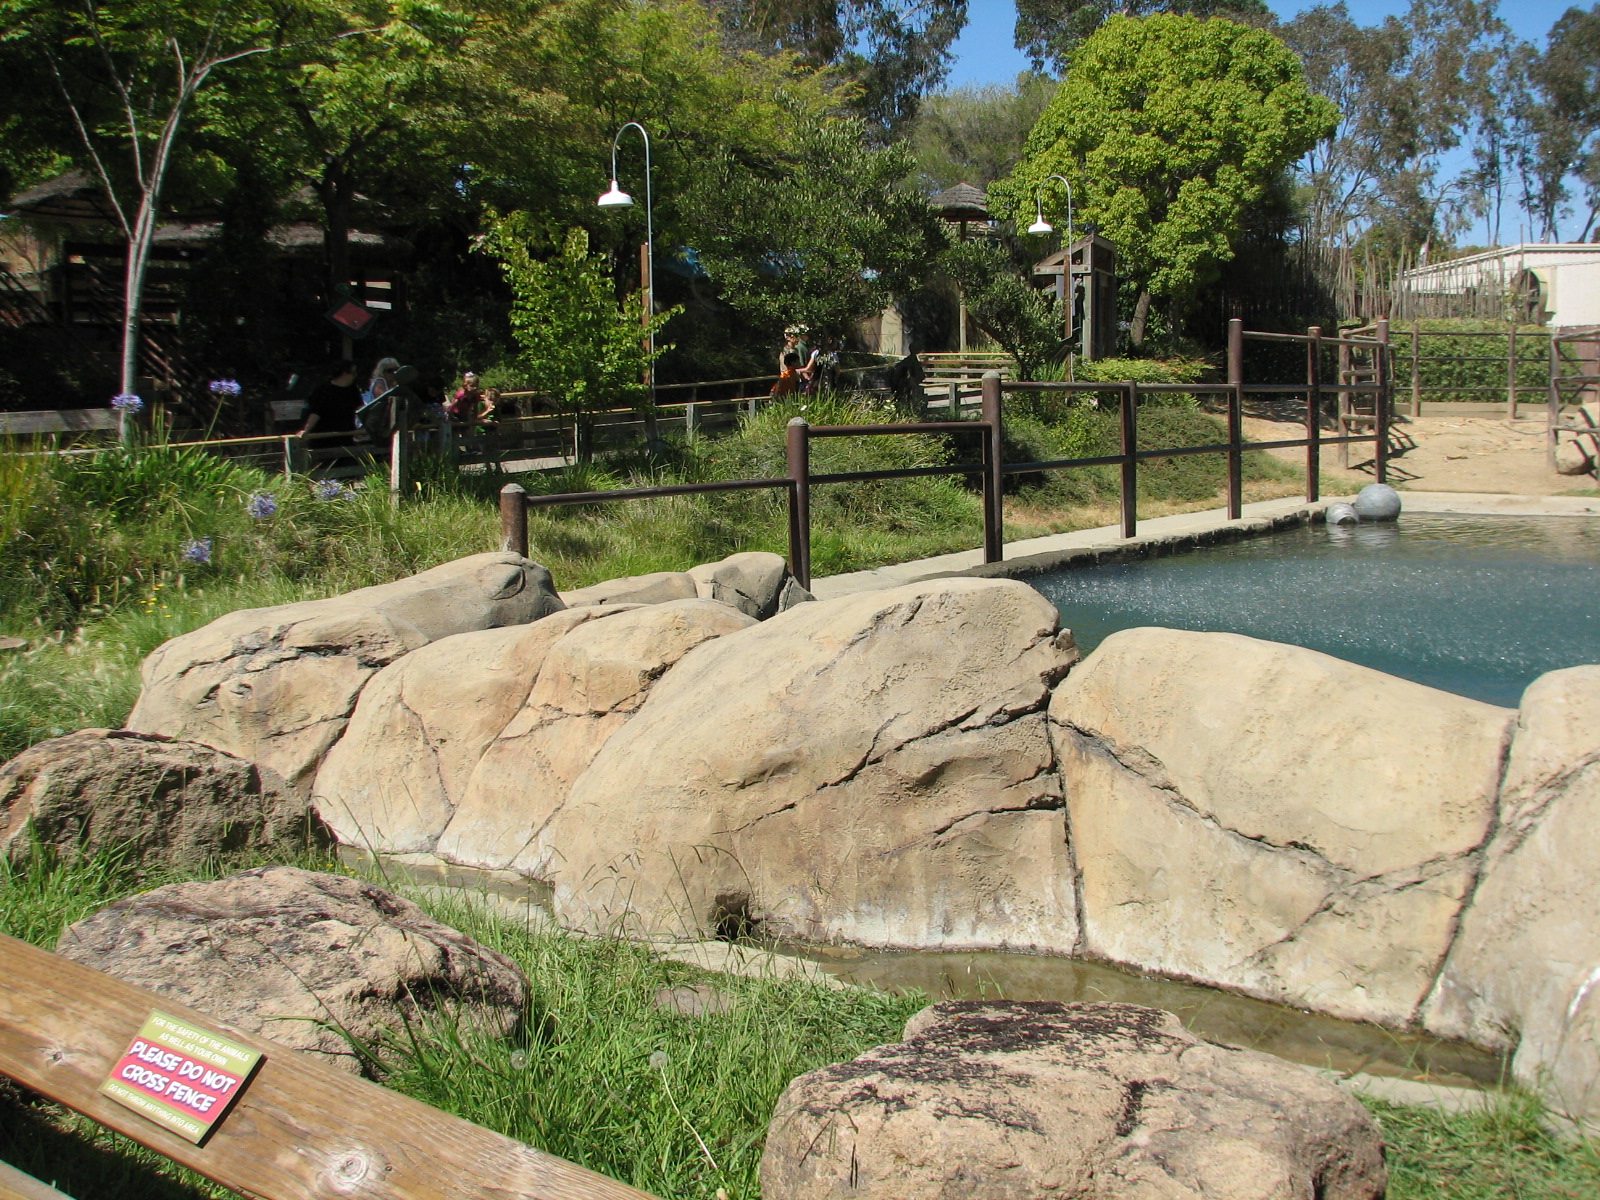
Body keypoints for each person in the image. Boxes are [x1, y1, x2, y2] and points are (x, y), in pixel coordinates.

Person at [297, 361, 361, 443]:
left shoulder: (353, 390)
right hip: (324, 437)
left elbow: (361, 409)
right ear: (345, 373)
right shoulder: (323, 390)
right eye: (353, 373)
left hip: (346, 436)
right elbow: (315, 412)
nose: (355, 376)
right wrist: (306, 430)